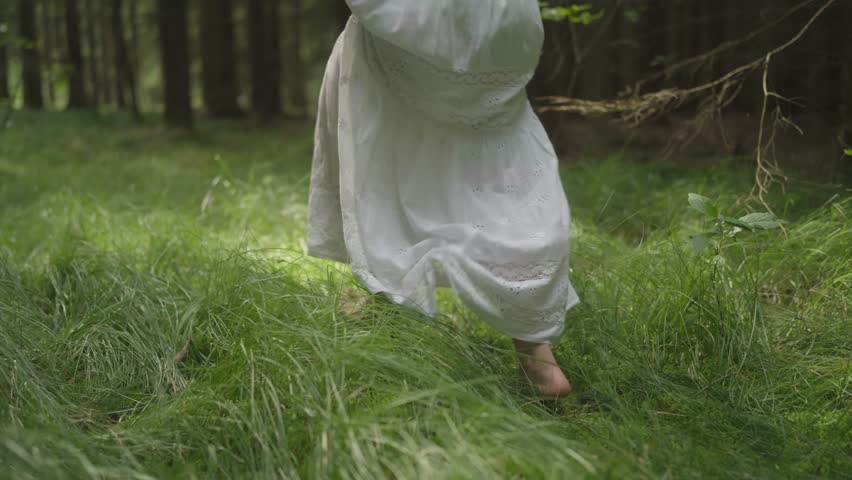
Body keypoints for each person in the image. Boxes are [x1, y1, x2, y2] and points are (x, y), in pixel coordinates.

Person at [307, 0, 578, 397]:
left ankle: (395, 343)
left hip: (414, 21)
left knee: (392, 151)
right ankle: (537, 357)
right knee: (496, 146)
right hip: (494, 21)